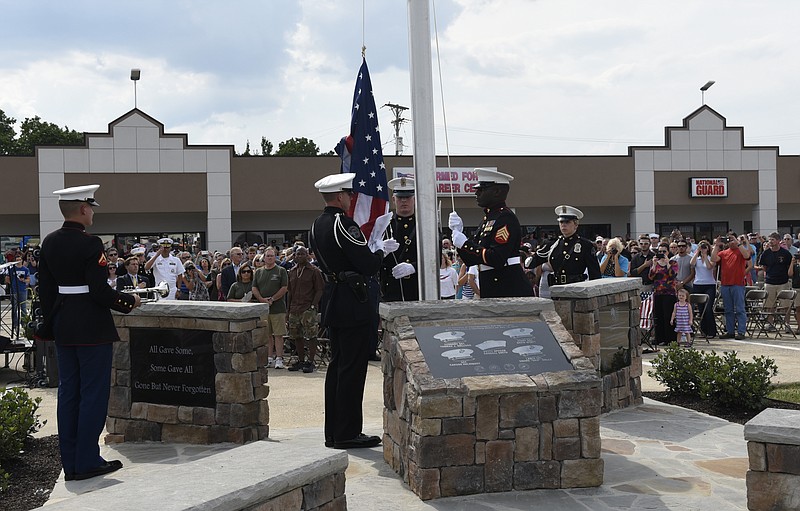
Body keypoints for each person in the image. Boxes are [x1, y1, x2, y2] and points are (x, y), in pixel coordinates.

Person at [37, 184, 141, 481]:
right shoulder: (90, 243)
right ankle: (87, 461)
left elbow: (46, 290)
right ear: (83, 209)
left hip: (64, 327)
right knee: (93, 395)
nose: (93, 211)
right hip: (91, 328)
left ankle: (71, 463)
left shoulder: (50, 242)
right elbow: (98, 291)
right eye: (91, 207)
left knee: (68, 393)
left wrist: (53, 321)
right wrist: (128, 301)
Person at [309, 172, 398, 450]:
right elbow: (368, 264)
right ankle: (348, 432)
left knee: (337, 367)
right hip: (353, 301)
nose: (351, 198)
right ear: (339, 197)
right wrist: (380, 251)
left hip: (336, 298)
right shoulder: (342, 224)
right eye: (348, 194)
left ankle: (334, 431)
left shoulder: (316, 224)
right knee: (352, 369)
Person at [448, 168, 533, 297]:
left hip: (508, 286)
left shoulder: (505, 218)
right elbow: (471, 259)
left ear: (497, 192)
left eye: (482, 190)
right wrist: (459, 233)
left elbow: (496, 258)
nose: (477, 193)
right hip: (492, 285)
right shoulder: (488, 219)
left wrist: (464, 243)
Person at [529, 205, 602, 286]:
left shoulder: (585, 245)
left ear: (576, 224)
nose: (563, 225)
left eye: (567, 222)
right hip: (556, 288)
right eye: (561, 222)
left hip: (577, 288)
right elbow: (533, 262)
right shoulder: (553, 244)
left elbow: (595, 274)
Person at [380, 176, 418, 302]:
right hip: (392, 290)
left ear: (414, 199)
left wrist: (414, 267)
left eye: (407, 197)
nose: (404, 201)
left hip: (418, 288)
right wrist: (380, 250)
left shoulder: (425, 225)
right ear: (393, 199)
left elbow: (436, 259)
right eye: (400, 197)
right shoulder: (384, 226)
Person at [286, 246, 324, 373]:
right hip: (294, 308)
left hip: (307, 309)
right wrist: (288, 309)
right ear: (294, 256)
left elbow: (319, 290)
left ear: (307, 255)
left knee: (311, 336)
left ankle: (311, 362)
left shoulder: (314, 271)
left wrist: (313, 306)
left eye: (302, 254)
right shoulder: (292, 271)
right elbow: (289, 292)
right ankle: (301, 361)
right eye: (297, 254)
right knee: (296, 336)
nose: (300, 256)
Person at [252, 247, 289, 369]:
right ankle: (269, 358)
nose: (270, 258)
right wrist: (262, 300)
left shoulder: (281, 270)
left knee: (278, 334)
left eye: (272, 256)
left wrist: (272, 299)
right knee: (267, 335)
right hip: (264, 308)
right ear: (264, 257)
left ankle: (279, 358)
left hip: (278, 308)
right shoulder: (258, 272)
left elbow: (284, 288)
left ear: (275, 257)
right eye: (268, 256)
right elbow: (254, 288)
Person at [711, 233, 751, 340]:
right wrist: (717, 244)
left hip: (738, 284)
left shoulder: (740, 251)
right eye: (729, 240)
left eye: (732, 239)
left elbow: (747, 256)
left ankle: (741, 331)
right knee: (728, 309)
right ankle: (730, 331)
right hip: (725, 284)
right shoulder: (724, 253)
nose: (730, 242)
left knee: (740, 309)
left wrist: (738, 243)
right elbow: (713, 259)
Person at [758, 232, 793, 331]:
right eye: (769, 240)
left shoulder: (785, 253)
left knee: (786, 304)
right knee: (769, 305)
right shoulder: (766, 253)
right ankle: (770, 323)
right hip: (770, 282)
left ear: (778, 241)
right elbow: (763, 266)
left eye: (772, 240)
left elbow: (789, 266)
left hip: (783, 282)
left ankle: (787, 324)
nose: (770, 242)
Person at [649, 243, 678, 345]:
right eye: (659, 252)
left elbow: (672, 275)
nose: (661, 254)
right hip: (658, 292)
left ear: (668, 252)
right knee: (659, 316)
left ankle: (670, 339)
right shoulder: (656, 264)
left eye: (664, 252)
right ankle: (660, 338)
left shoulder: (673, 262)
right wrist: (653, 264)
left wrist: (667, 263)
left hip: (669, 293)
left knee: (668, 316)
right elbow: (651, 277)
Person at [690, 240, 717, 338]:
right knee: (701, 309)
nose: (703, 249)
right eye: (702, 247)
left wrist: (705, 256)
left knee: (708, 308)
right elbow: (691, 263)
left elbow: (709, 267)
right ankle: (704, 331)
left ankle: (711, 331)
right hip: (698, 284)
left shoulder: (711, 258)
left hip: (709, 284)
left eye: (705, 247)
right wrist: (697, 252)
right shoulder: (696, 258)